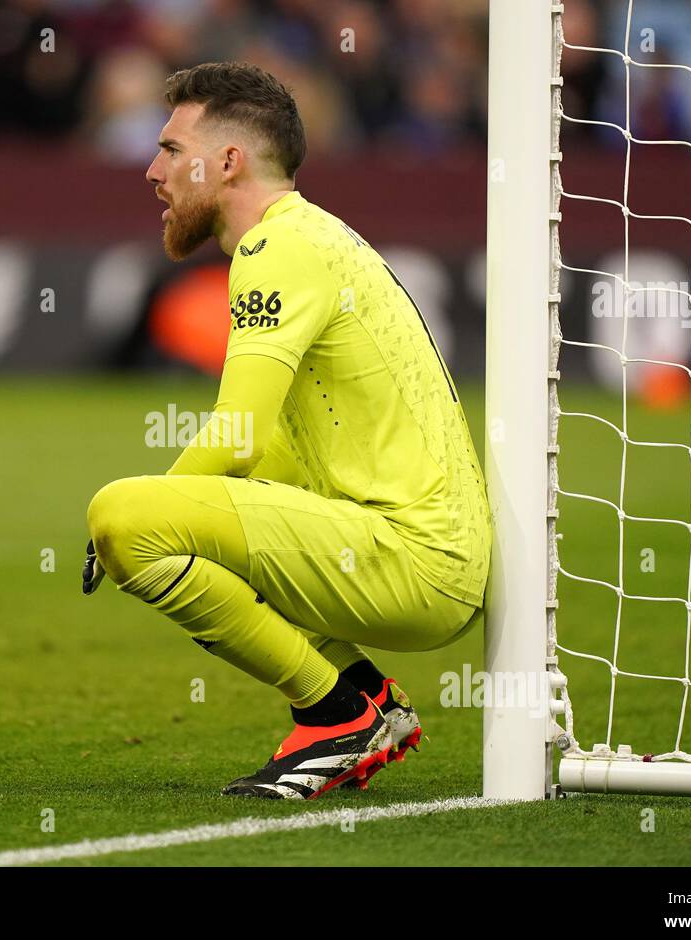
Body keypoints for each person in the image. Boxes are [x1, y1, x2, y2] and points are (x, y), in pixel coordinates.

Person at [84, 62, 492, 799]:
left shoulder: (279, 248)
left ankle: (336, 715)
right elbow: (259, 450)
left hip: (414, 558)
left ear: (229, 161)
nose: (152, 170)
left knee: (121, 514)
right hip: (422, 552)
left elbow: (234, 434)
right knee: (221, 488)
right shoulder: (312, 239)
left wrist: (146, 518)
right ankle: (369, 700)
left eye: (172, 150)